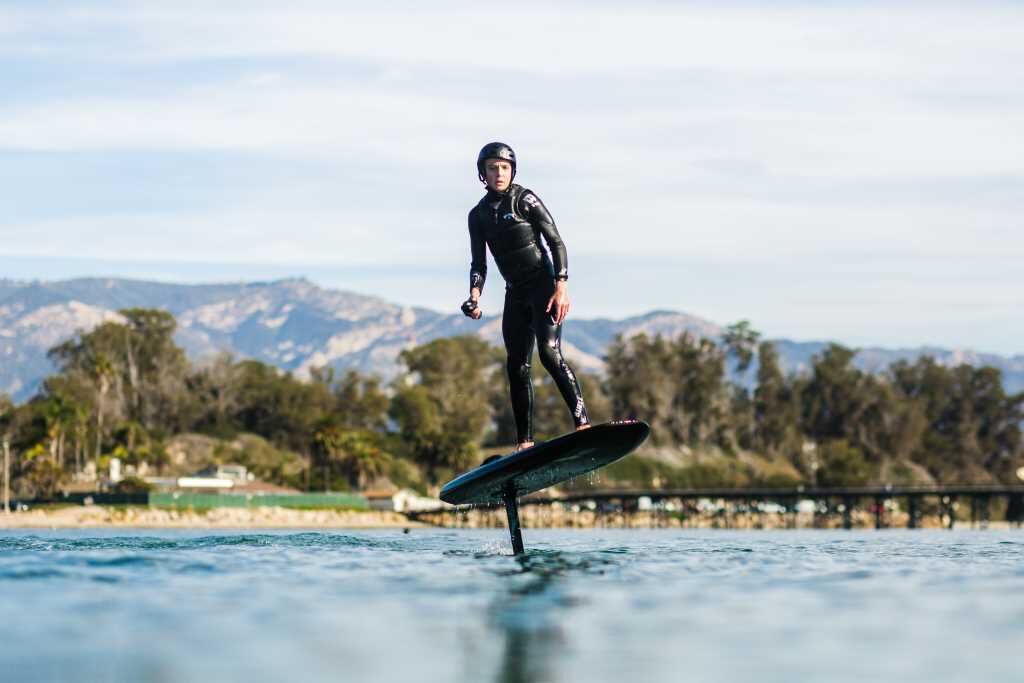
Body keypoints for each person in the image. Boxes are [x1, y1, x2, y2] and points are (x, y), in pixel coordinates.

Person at [461, 142, 591, 453]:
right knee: (516, 366)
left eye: (504, 167)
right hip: (515, 293)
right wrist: (474, 296)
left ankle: (583, 423)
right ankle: (525, 443)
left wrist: (561, 285)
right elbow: (479, 263)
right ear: (483, 174)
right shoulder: (477, 216)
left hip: (544, 286)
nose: (499, 173)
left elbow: (556, 241)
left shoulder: (525, 199)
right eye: (492, 168)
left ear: (512, 171)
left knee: (549, 354)